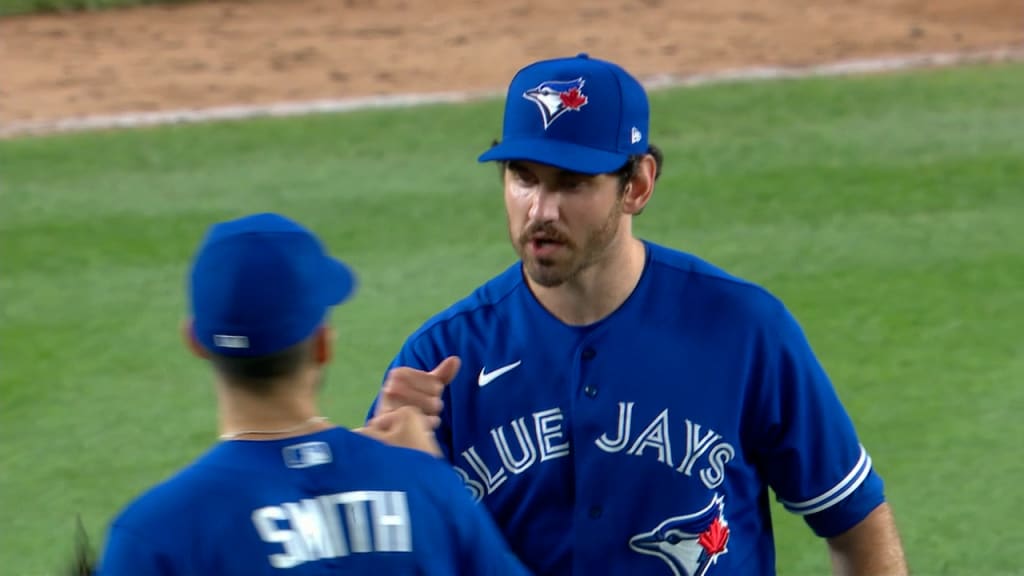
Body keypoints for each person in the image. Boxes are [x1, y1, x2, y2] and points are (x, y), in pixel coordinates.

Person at [368, 53, 910, 575]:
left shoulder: (744, 331)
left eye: (572, 182)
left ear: (639, 184)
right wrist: (389, 478)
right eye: (523, 176)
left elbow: (855, 520)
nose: (541, 209)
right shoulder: (441, 361)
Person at [91, 212, 532, 576]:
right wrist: (415, 470)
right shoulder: (429, 490)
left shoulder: (155, 534)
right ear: (323, 345)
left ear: (195, 342)